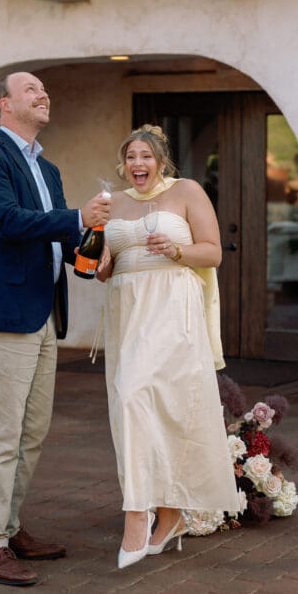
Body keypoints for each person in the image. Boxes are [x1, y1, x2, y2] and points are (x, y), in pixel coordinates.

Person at [0, 70, 111, 586]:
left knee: (32, 431)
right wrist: (76, 218)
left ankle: (8, 525)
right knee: (2, 434)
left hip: (43, 314)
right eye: (31, 90)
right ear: (4, 105)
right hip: (3, 315)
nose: (43, 93)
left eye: (45, 88)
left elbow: (60, 242)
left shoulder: (47, 169)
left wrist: (93, 255)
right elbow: (8, 222)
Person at [96, 124, 239, 569]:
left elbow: (212, 252)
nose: (138, 164)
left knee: (151, 398)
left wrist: (177, 252)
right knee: (131, 403)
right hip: (127, 310)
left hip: (172, 307)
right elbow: (104, 266)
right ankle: (172, 515)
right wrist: (101, 263)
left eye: (146, 156)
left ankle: (137, 514)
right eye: (131, 157)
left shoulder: (187, 191)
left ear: (161, 160)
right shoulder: (113, 203)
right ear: (124, 163)